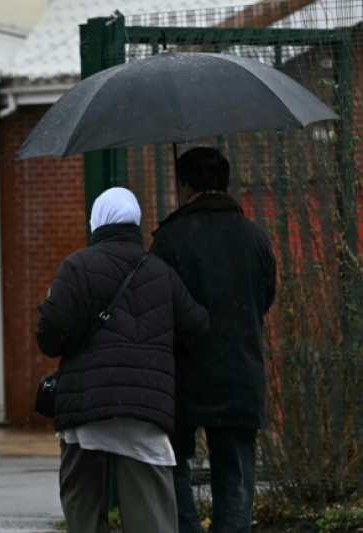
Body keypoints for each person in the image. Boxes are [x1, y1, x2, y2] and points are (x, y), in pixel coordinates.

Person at [36, 187, 210, 533]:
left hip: (86, 405)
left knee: (83, 501)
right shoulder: (161, 272)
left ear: (97, 221)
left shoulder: (76, 266)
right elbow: (198, 327)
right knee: (151, 509)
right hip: (145, 405)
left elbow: (48, 338)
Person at [150, 147, 277, 533]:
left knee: (171, 464)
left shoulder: (169, 240)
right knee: (235, 475)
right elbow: (265, 297)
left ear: (185, 187)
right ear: (226, 184)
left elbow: (156, 309)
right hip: (241, 368)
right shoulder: (255, 237)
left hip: (182, 374)